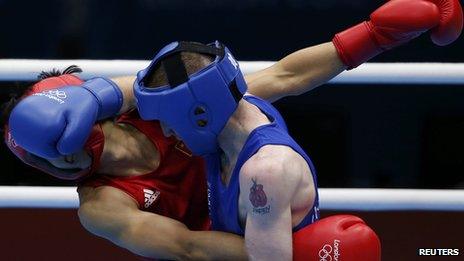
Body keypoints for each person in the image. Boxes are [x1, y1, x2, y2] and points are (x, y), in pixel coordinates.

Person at [5, 0, 462, 259]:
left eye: (55, 143)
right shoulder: (101, 206)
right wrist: (284, 254)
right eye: (39, 157)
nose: (57, 160)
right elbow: (188, 249)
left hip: (261, 200)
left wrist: (375, 35)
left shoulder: (160, 105)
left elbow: (284, 77)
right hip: (236, 247)